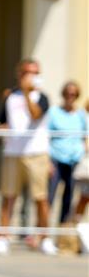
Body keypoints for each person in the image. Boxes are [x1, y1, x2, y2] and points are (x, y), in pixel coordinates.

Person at [0, 58, 55, 256]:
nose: (32, 76)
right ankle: (3, 237)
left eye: (36, 72)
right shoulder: (10, 96)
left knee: (41, 199)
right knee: (8, 197)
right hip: (13, 152)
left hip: (36, 153)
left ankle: (45, 238)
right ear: (20, 74)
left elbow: (36, 115)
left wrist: (28, 93)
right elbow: (1, 120)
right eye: (28, 72)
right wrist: (0, 128)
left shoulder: (42, 96)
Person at [47, 81, 86, 224]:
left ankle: (62, 232)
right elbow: (46, 136)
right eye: (68, 93)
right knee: (49, 197)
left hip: (74, 161)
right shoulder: (54, 112)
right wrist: (47, 161)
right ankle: (43, 232)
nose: (71, 96)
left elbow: (85, 138)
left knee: (68, 198)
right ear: (63, 94)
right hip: (56, 158)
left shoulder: (81, 115)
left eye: (74, 94)